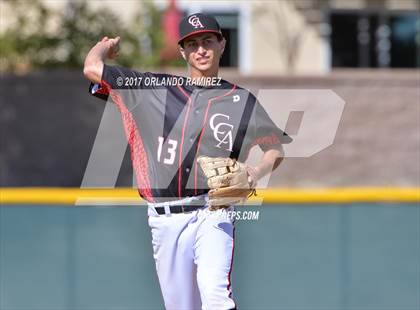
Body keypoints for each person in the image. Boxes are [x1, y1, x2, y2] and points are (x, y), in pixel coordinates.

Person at [83, 12, 290, 310]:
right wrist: (106, 46)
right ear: (183, 51)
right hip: (164, 219)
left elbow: (275, 149)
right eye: (192, 44)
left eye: (208, 41)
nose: (201, 49)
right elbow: (92, 67)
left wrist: (256, 171)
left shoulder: (240, 100)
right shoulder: (151, 88)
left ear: (222, 44)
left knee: (217, 298)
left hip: (213, 210)